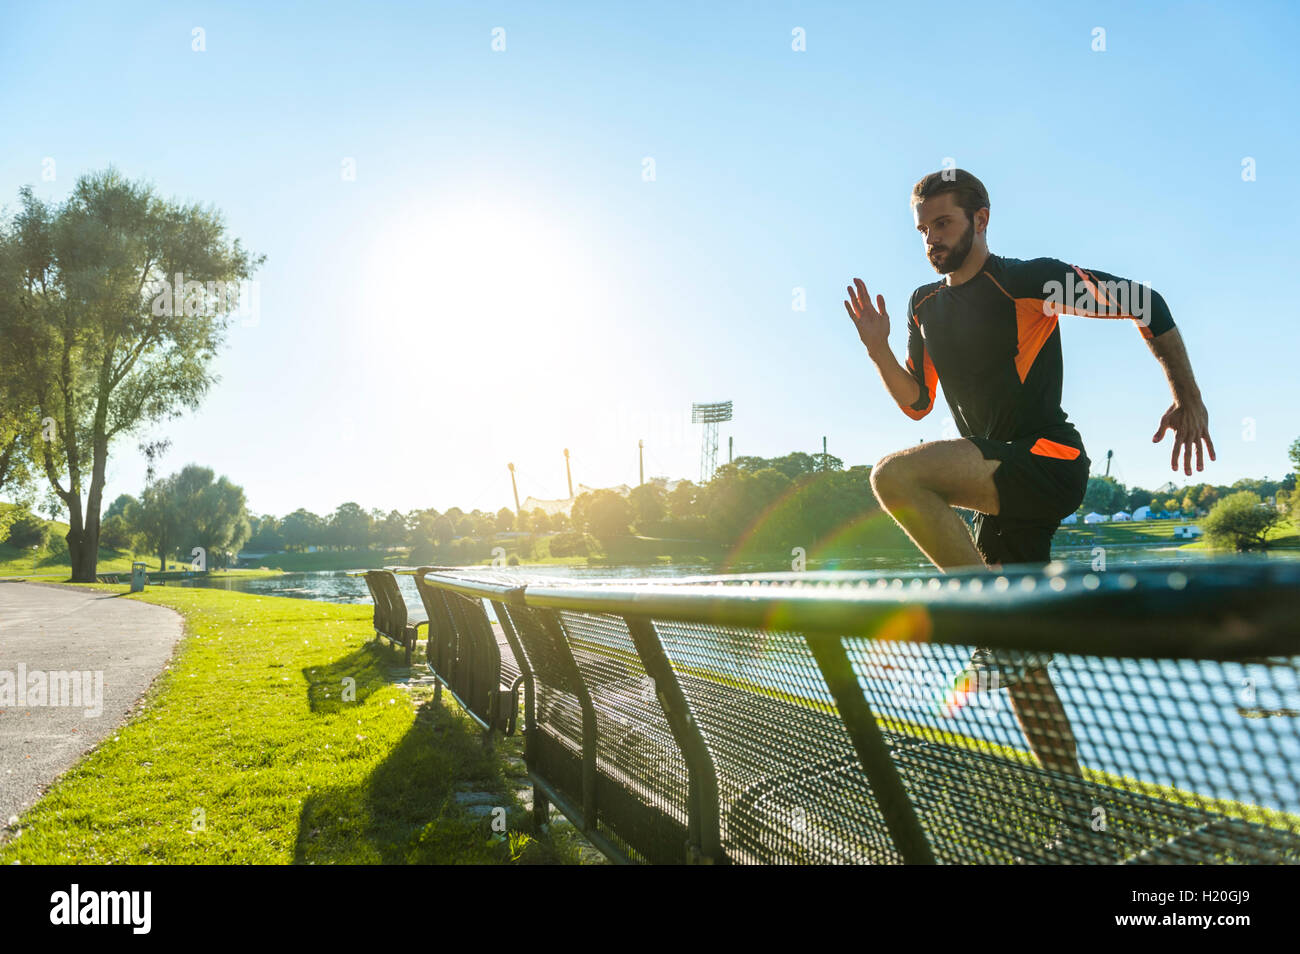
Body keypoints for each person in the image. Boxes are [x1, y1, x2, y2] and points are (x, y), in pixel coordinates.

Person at [844, 169, 1214, 861]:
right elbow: (917, 403)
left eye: (944, 225)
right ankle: (1080, 819)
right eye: (922, 229)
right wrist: (876, 346)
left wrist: (1185, 395)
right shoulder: (925, 304)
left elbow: (1147, 302)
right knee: (1021, 668)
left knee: (895, 476)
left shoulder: (1030, 280)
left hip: (1046, 461)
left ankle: (984, 615)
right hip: (996, 480)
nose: (931, 240)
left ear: (981, 218)